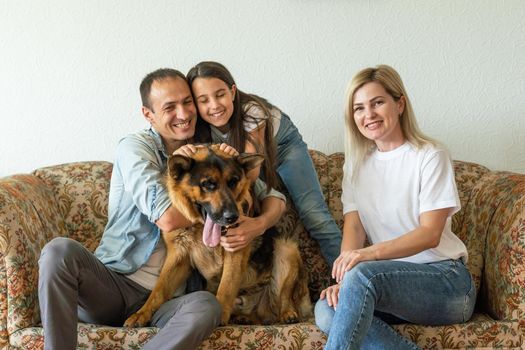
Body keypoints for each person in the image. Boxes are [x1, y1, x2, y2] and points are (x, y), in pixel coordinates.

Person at [38, 68, 286, 350]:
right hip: (114, 283)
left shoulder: (209, 155)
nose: (182, 114)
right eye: (170, 107)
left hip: (170, 300)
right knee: (59, 251)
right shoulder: (135, 148)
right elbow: (168, 218)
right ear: (148, 114)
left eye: (187, 102)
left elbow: (272, 195)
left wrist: (257, 221)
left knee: (208, 305)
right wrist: (227, 208)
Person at [314, 65, 476, 350]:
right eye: (359, 108)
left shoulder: (429, 156)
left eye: (378, 103)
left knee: (363, 274)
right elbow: (354, 226)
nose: (369, 115)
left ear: (399, 104)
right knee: (327, 309)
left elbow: (430, 234)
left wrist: (365, 258)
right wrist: (343, 281)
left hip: (446, 282)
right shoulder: (356, 165)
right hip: (385, 282)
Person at [186, 61, 342, 267]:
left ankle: (348, 276)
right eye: (203, 100)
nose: (214, 105)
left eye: (220, 94)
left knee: (314, 213)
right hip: (249, 156)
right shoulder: (197, 128)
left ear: (232, 91)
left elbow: (250, 172)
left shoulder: (252, 111)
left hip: (283, 147)